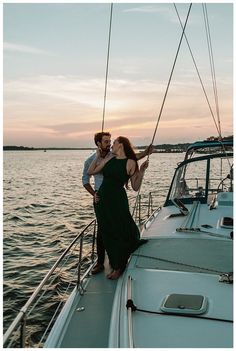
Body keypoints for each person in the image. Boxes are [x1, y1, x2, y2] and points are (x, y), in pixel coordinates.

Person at [82, 132, 153, 275]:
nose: (109, 144)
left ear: (119, 145)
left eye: (111, 141)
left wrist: (144, 155)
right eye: (106, 141)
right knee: (103, 231)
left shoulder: (113, 157)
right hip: (100, 198)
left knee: (119, 227)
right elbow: (86, 178)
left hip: (116, 198)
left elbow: (131, 159)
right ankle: (102, 262)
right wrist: (94, 194)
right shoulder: (96, 159)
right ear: (98, 144)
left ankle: (119, 263)